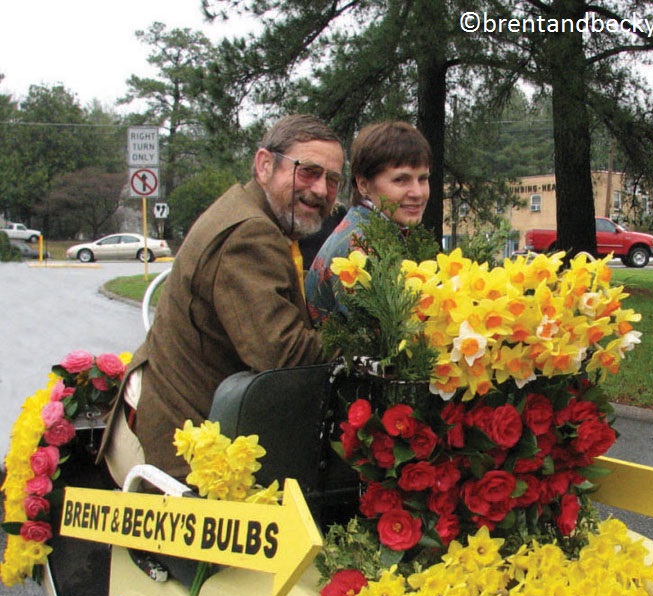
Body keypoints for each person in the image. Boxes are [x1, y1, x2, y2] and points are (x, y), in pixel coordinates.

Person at [103, 113, 345, 483]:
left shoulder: (254, 214)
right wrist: (362, 343)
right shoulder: (250, 233)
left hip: (181, 418)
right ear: (265, 165)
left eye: (332, 180)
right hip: (175, 449)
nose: (321, 190)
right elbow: (282, 355)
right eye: (308, 171)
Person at [305, 121, 432, 323]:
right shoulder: (360, 247)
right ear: (364, 184)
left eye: (423, 178)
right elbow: (377, 343)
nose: (417, 193)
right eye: (400, 180)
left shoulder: (374, 229)